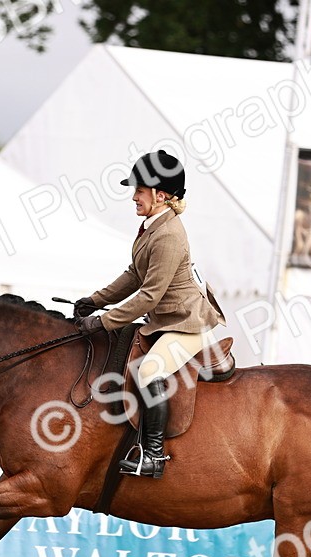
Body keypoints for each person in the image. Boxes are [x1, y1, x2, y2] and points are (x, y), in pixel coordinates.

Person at [73, 150, 225, 479]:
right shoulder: (152, 226)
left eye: (139, 191)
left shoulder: (170, 235)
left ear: (160, 195)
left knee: (149, 371)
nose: (133, 197)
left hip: (185, 324)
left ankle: (153, 454)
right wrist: (94, 300)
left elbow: (149, 295)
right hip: (164, 320)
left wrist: (102, 321)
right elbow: (134, 274)